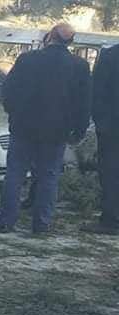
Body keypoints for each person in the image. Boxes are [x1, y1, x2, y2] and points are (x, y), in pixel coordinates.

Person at [0, 23, 92, 235]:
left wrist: (13, 112)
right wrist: (79, 129)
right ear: (70, 42)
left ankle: (6, 222)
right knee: (49, 177)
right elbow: (83, 102)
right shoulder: (79, 66)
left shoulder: (27, 59)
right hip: (57, 132)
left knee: (15, 175)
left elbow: (8, 90)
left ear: (49, 37)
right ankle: (41, 224)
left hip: (23, 127)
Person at [82, 43, 119, 235]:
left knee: (111, 173)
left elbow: (96, 91)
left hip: (112, 127)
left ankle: (111, 220)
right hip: (111, 125)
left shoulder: (110, 55)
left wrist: (100, 121)